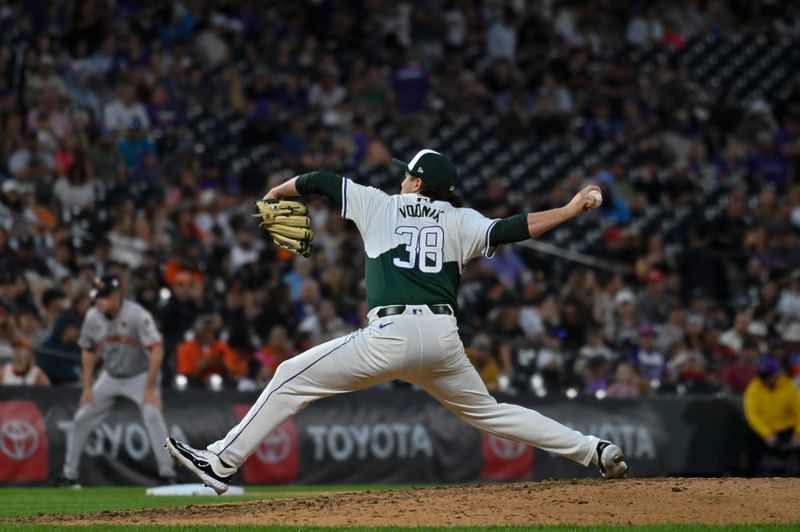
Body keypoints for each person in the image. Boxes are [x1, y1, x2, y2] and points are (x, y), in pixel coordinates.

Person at [166, 148, 627, 494]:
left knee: (290, 376)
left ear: (418, 183)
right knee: (493, 413)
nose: (402, 179)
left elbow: (321, 180)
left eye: (409, 174)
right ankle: (594, 450)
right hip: (444, 340)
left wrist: (275, 193)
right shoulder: (461, 219)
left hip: (390, 335)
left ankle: (220, 462)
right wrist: (568, 211)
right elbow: (511, 228)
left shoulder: (380, 204)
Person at [60, 275, 175, 488]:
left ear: (116, 295)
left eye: (103, 297)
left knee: (152, 415)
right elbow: (88, 351)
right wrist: (87, 387)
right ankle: (69, 475)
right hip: (110, 376)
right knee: (81, 418)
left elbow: (157, 349)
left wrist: (150, 387)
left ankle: (167, 474)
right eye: (97, 297)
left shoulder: (137, 315)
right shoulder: (93, 317)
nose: (98, 302)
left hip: (140, 375)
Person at [743, 356, 800, 476]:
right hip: (765, 431)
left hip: (787, 429)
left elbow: (799, 411)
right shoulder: (754, 388)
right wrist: (766, 434)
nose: (766, 378)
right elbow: (752, 415)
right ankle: (749, 480)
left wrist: (798, 433)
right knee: (751, 438)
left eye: (769, 375)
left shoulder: (789, 386)